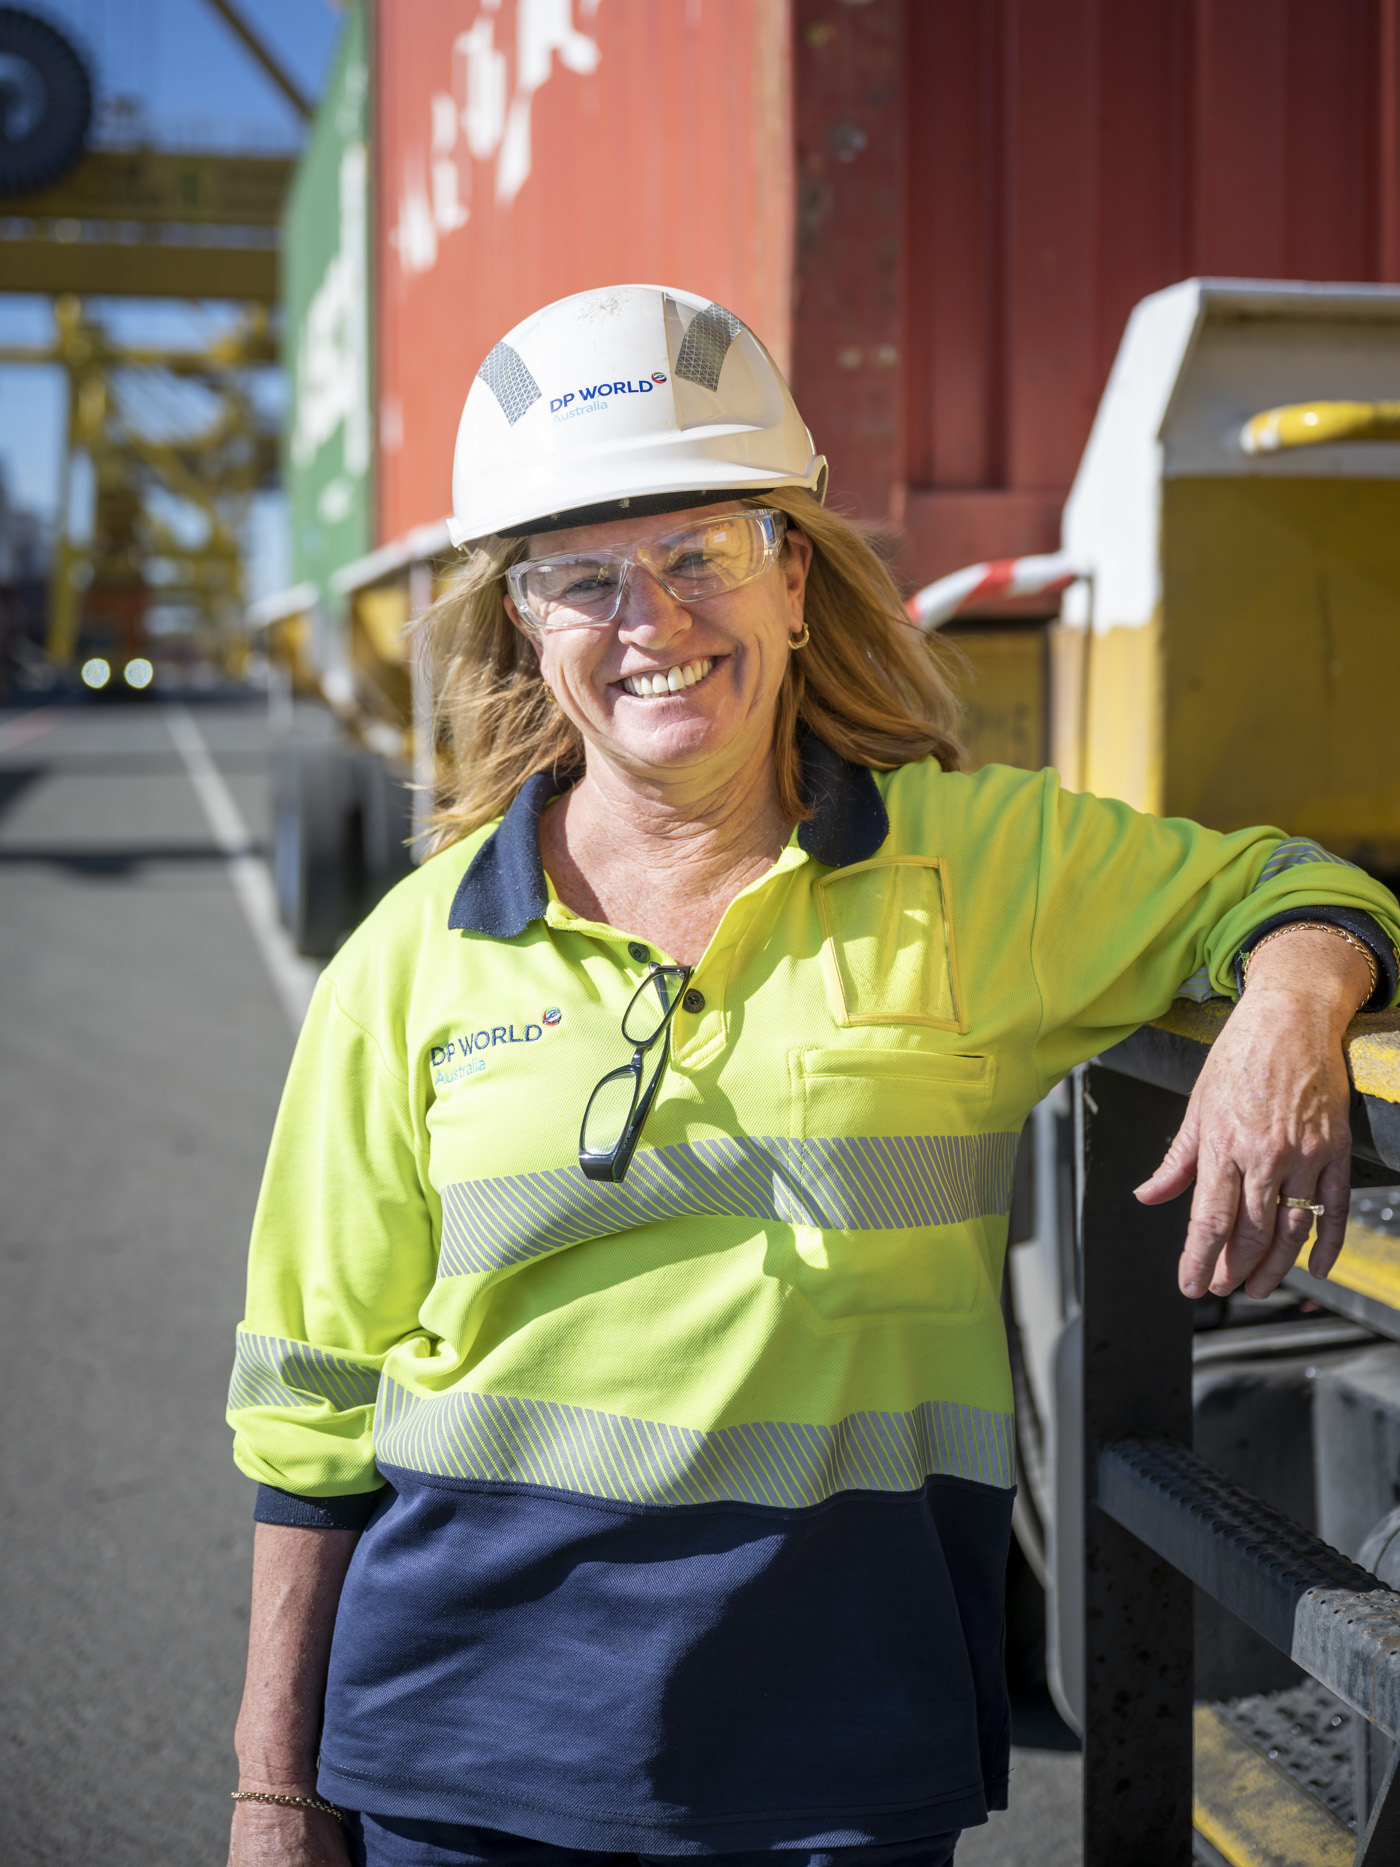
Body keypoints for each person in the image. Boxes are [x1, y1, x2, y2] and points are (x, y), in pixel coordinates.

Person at [227, 285, 1400, 1867]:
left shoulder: (978, 871)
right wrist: (273, 1792)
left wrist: (1289, 1009)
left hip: (837, 1757)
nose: (653, 624)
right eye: (587, 580)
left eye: (702, 554)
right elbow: (310, 1409)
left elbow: (1295, 885)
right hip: (457, 1759)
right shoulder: (409, 956)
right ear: (526, 620)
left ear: (793, 576)